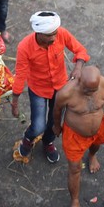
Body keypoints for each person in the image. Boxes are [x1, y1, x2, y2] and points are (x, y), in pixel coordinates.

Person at [11, 11, 89, 164]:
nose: (54, 37)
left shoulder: (61, 33)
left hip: (60, 87)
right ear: (38, 33)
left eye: (55, 34)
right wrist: (15, 101)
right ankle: (28, 137)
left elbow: (80, 50)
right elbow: (20, 74)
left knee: (54, 122)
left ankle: (48, 142)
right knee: (38, 125)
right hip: (38, 89)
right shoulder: (24, 47)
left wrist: (78, 67)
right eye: (49, 35)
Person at [52, 66, 104, 207]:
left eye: (94, 90)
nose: (90, 93)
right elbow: (57, 110)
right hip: (74, 135)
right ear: (79, 80)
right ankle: (75, 201)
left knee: (96, 145)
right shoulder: (66, 93)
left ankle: (92, 155)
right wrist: (57, 126)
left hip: (98, 129)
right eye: (87, 90)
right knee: (74, 168)